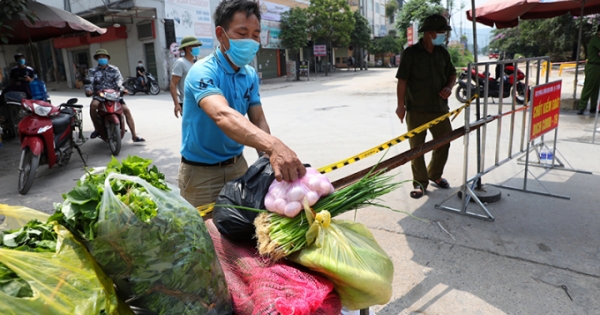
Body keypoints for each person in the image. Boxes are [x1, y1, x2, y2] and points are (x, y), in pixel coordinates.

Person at [178, 0, 306, 209]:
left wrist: (266, 160)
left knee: (241, 230)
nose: (250, 41)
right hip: (201, 173)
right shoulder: (202, 71)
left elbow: (258, 118)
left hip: (238, 165)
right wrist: (273, 145)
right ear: (221, 34)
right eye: (242, 33)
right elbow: (222, 114)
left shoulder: (249, 75)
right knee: (203, 235)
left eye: (255, 35)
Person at [395, 14, 456, 199]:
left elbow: (452, 75)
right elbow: (402, 81)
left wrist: (448, 87)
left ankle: (435, 175)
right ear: (430, 33)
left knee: (444, 142)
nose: (444, 36)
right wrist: (400, 106)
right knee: (417, 149)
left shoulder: (442, 53)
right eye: (441, 33)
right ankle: (420, 183)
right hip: (416, 109)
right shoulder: (411, 53)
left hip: (439, 108)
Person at [84, 49, 145, 142]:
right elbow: (89, 82)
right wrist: (89, 90)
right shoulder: (92, 71)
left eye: (104, 57)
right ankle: (97, 129)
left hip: (114, 95)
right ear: (97, 59)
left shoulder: (114, 69)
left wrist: (123, 89)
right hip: (100, 95)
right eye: (100, 57)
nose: (102, 58)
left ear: (107, 58)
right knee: (93, 106)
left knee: (126, 110)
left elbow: (119, 81)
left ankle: (134, 135)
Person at [170, 36, 202, 118]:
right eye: (195, 46)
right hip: (187, 102)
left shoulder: (194, 63)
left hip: (197, 101)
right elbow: (173, 85)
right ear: (188, 48)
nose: (197, 48)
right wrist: (176, 104)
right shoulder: (180, 63)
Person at [578, 25, 600, 115]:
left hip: (598, 66)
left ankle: (593, 107)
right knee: (588, 86)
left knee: (596, 88)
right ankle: (582, 107)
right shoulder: (595, 40)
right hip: (592, 66)